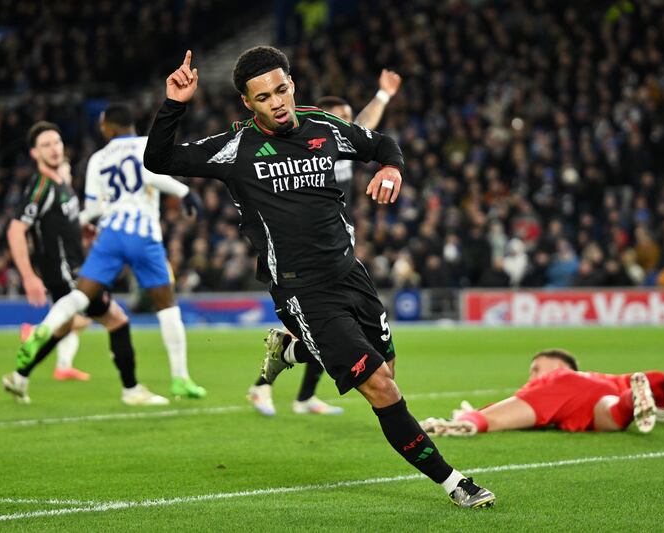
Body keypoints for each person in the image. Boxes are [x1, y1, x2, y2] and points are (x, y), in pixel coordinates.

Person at [143, 46, 495, 509]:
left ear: (292, 84)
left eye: (282, 89)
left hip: (352, 274)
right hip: (301, 289)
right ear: (248, 104)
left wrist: (391, 167)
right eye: (264, 97)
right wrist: (175, 104)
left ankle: (289, 348)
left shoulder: (323, 126)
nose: (278, 102)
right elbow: (158, 159)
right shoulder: (234, 147)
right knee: (381, 387)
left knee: (388, 371)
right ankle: (454, 483)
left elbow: (381, 143)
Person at [14, 105, 207, 400]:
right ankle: (180, 379)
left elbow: (91, 209)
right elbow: (153, 177)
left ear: (108, 127)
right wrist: (184, 192)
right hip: (143, 234)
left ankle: (46, 327)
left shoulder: (98, 158)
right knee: (167, 307)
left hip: (111, 234)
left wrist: (76, 222)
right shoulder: (146, 145)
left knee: (79, 296)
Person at [246, 70, 402, 417]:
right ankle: (261, 386)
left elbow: (366, 126)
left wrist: (383, 96)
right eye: (342, 118)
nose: (349, 124)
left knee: (336, 334)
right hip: (296, 262)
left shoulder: (339, 148)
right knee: (320, 334)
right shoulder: (307, 147)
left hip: (333, 254)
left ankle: (303, 396)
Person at [419, 349, 664, 437]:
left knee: (492, 419)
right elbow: (660, 378)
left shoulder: (553, 381)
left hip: (560, 395)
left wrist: (474, 414)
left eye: (536, 368)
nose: (531, 377)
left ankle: (462, 424)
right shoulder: (603, 378)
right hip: (604, 395)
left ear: (560, 366)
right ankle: (635, 399)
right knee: (614, 412)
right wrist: (663, 409)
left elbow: (508, 409)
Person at [9, 154, 91, 382]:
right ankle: (36, 331)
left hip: (68, 264)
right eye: (66, 171)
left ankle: (59, 367)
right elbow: (22, 228)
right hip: (61, 267)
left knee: (70, 321)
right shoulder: (49, 191)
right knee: (80, 316)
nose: (69, 176)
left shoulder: (67, 196)